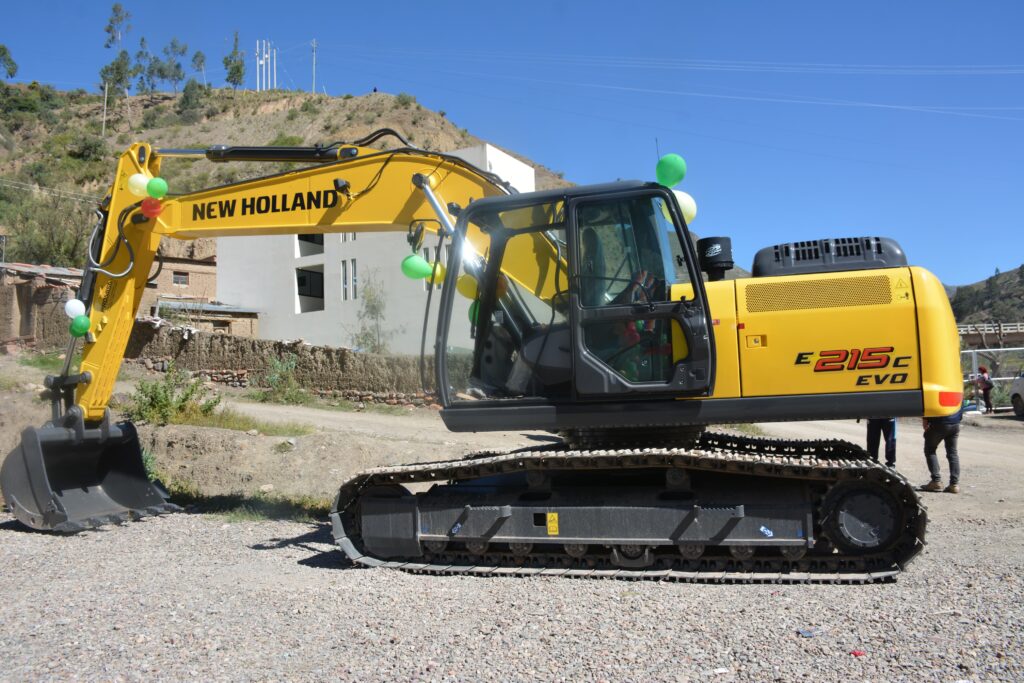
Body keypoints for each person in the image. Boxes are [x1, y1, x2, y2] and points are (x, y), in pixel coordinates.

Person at [919, 406, 962, 494]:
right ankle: (954, 485)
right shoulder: (957, 395)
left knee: (930, 450)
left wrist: (925, 421)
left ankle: (936, 481)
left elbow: (929, 405)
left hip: (939, 423)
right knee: (952, 453)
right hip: (955, 423)